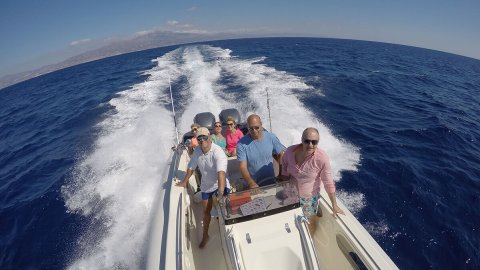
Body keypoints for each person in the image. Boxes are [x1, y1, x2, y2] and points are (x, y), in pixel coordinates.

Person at [280, 127, 344, 234]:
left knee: (310, 223)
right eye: (307, 141)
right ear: (302, 140)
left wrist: (334, 205)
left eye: (314, 142)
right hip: (291, 192)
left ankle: (311, 232)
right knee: (288, 217)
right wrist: (283, 182)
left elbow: (328, 182)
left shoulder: (322, 158)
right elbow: (284, 166)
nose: (310, 144)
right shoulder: (290, 151)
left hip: (309, 198)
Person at [176, 127, 231, 248]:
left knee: (227, 211)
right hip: (206, 186)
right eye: (199, 138)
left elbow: (221, 173)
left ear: (210, 138)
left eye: (204, 138)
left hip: (220, 185)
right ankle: (205, 235)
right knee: (206, 212)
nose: (201, 141)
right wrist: (184, 181)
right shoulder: (197, 151)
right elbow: (191, 167)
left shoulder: (218, 152)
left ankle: (229, 231)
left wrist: (221, 193)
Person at [236, 114, 286, 188]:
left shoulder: (271, 137)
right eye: (251, 128)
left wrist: (281, 174)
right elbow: (242, 167)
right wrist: (251, 183)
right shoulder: (241, 144)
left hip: (272, 180)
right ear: (247, 128)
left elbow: (281, 154)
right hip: (254, 184)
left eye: (257, 127)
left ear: (261, 125)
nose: (254, 131)